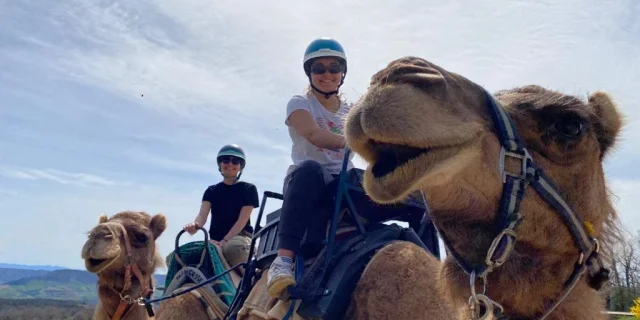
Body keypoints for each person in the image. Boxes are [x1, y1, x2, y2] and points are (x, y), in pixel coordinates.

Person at [266, 37, 355, 298]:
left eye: (333, 67)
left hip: (344, 184)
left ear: (342, 73)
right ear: (310, 74)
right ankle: (283, 261)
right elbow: (314, 136)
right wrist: (362, 142)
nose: (327, 74)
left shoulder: (352, 110)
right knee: (310, 169)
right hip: (308, 184)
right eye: (319, 68)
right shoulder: (299, 103)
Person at [183, 144, 260, 271]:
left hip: (240, 238)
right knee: (183, 254)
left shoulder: (249, 189)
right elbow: (202, 216)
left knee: (233, 248)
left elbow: (241, 221)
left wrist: (225, 241)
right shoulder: (211, 191)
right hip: (215, 241)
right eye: (226, 160)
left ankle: (248, 284)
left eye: (235, 161)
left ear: (241, 166)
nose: (230, 164)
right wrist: (194, 226)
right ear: (220, 164)